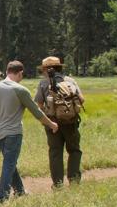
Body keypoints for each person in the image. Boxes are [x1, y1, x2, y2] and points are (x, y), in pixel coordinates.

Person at [0, 60, 58, 204]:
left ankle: (19, 191)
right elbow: (36, 112)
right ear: (20, 73)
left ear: (7, 71)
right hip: (13, 132)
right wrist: (52, 124)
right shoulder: (20, 90)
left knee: (10, 162)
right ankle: (2, 197)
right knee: (9, 164)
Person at [34, 56, 85, 188]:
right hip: (71, 122)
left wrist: (46, 120)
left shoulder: (43, 83)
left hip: (52, 124)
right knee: (74, 151)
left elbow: (39, 104)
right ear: (60, 67)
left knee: (55, 152)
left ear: (45, 69)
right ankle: (74, 181)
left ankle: (58, 184)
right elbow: (82, 100)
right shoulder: (70, 81)